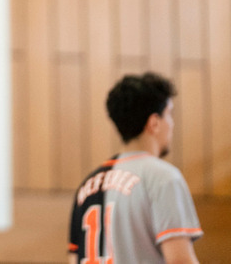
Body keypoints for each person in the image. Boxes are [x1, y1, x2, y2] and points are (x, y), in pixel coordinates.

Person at [68, 72, 202, 264]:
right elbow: (179, 260)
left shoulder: (87, 186)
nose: (172, 123)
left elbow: (73, 259)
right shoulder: (163, 177)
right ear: (154, 123)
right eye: (169, 114)